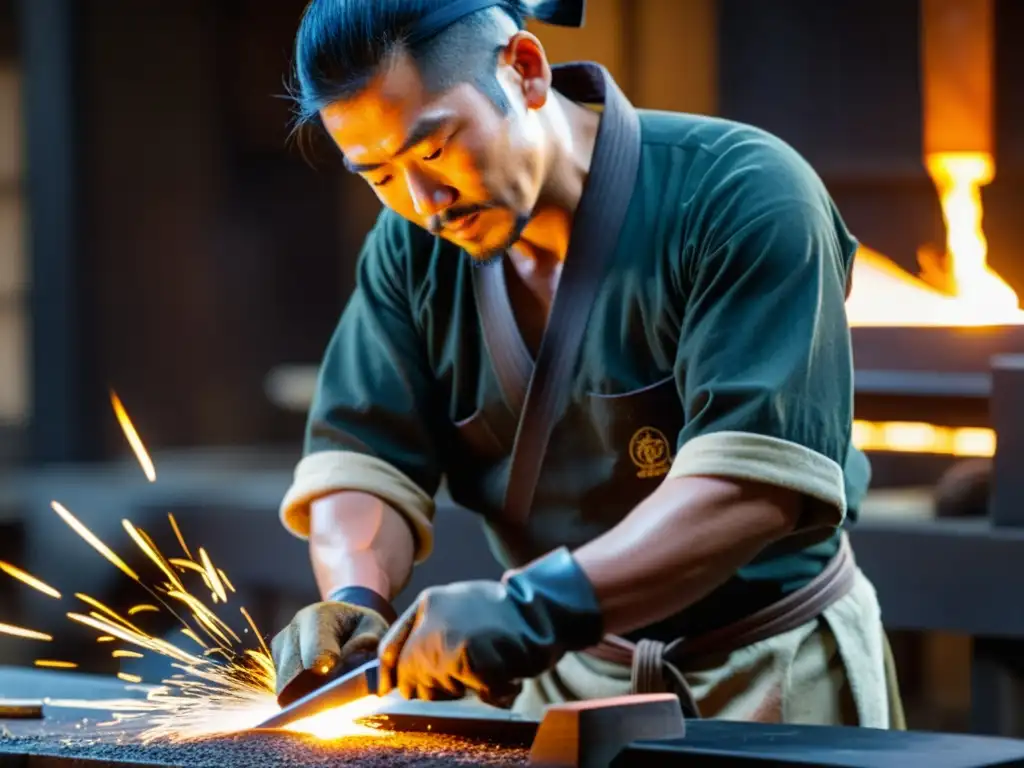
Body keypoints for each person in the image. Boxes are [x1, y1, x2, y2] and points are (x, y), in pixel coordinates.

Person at [270, 0, 905, 727]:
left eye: (435, 149)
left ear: (525, 71)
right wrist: (355, 598)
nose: (424, 202)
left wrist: (533, 610)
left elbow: (751, 488)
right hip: (564, 682)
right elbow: (362, 458)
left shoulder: (745, 193)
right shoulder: (410, 248)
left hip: (774, 670)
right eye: (379, 175)